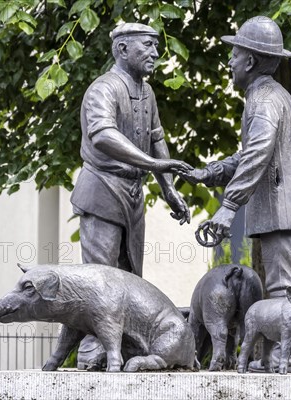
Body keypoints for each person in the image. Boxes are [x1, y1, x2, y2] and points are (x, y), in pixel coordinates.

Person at [180, 16, 291, 372]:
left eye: (235, 54)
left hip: (283, 209)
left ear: (251, 61)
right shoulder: (266, 97)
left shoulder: (266, 99)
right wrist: (209, 173)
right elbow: (249, 154)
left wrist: (229, 206)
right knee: (281, 289)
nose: (229, 62)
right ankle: (279, 358)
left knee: (287, 290)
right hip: (282, 208)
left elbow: (258, 152)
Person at [70, 22, 191, 370]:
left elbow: (156, 137)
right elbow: (103, 135)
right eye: (147, 46)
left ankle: (125, 343)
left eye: (156, 46)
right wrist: (154, 163)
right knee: (101, 276)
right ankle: (94, 345)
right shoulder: (103, 89)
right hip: (102, 190)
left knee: (130, 274)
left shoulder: (147, 93)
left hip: (133, 193)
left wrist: (168, 187)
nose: (155, 53)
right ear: (122, 49)